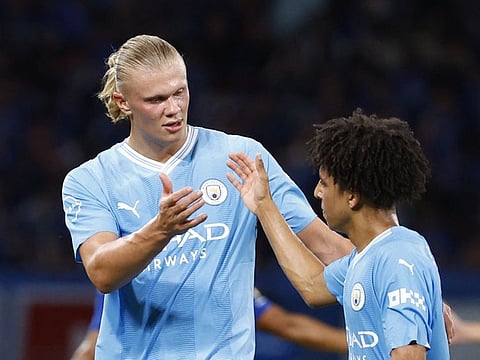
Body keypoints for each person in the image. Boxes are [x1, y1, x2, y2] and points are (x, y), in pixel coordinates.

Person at [61, 34, 353, 359]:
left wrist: (398, 266)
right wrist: (161, 229)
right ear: (123, 102)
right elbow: (102, 273)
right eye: (156, 100)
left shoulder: (241, 156)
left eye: (180, 92)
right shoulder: (90, 180)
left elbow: (326, 245)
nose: (173, 109)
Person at [226, 109, 450, 359]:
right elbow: (312, 286)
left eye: (324, 183)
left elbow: (408, 356)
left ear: (352, 196)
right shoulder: (366, 258)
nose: (317, 192)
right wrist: (265, 207)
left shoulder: (398, 258)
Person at [70, 288, 348, 360]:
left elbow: (286, 325)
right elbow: (92, 347)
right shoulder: (123, 276)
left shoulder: (218, 278)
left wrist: (359, 343)